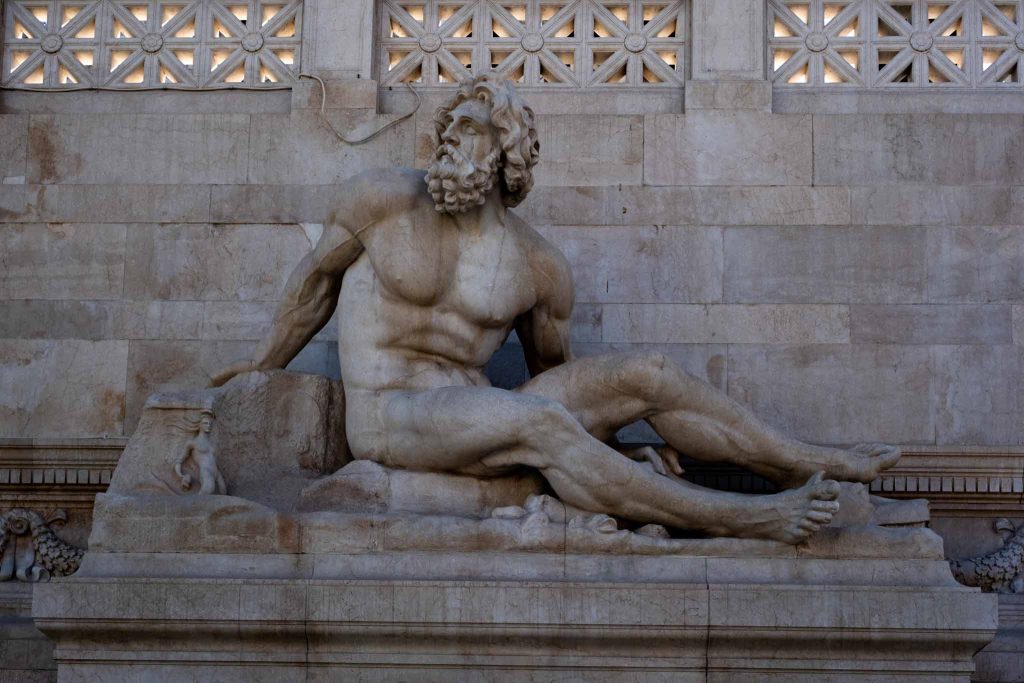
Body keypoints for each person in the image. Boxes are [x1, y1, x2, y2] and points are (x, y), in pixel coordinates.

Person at [212, 72, 900, 543]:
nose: (450, 138)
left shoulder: (538, 264)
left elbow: (561, 383)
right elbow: (312, 286)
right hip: (392, 415)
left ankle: (807, 462)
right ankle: (747, 519)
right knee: (538, 420)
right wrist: (259, 366)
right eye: (449, 127)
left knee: (648, 375)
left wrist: (612, 449)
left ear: (506, 150)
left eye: (469, 128)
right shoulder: (382, 200)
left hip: (477, 414)